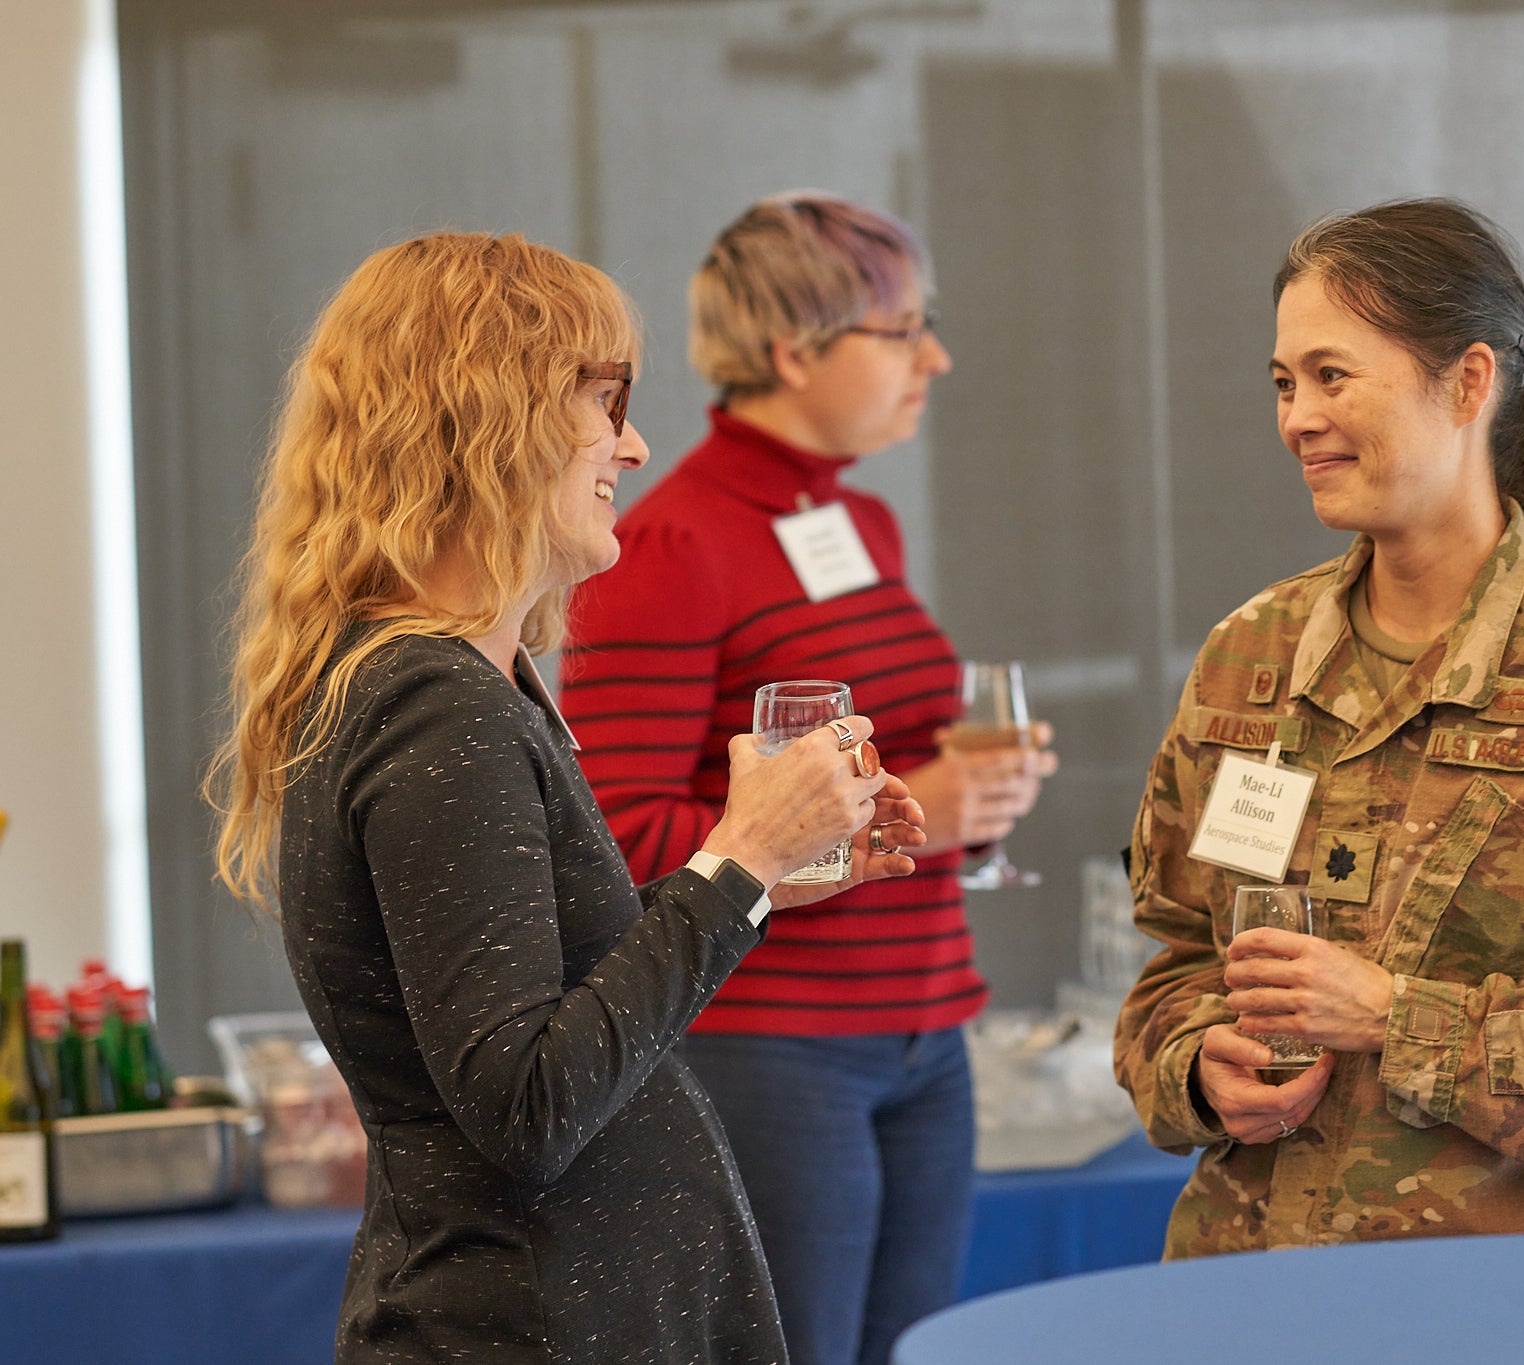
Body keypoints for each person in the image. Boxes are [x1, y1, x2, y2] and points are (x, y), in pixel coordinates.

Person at [209, 231, 927, 1363]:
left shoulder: (446, 681)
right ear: (488, 420)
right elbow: (527, 1102)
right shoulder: (434, 703)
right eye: (605, 405)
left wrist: (759, 878)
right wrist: (731, 863)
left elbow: (531, 983)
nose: (634, 447)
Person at [1113, 199, 1524, 1254]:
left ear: (1466, 383)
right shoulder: (1250, 658)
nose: (1296, 418)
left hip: (1504, 1313)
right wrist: (1197, 1066)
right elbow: (1177, 966)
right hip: (1247, 1296)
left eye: (1332, 376)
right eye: (1283, 384)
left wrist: (1395, 1018)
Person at [559, 193, 1056, 1365]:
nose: (932, 357)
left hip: (923, 1033)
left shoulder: (855, 519)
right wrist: (910, 816)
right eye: (900, 330)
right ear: (793, 352)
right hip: (773, 1048)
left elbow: (895, 779)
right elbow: (618, 840)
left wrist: (958, 815)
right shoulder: (672, 544)